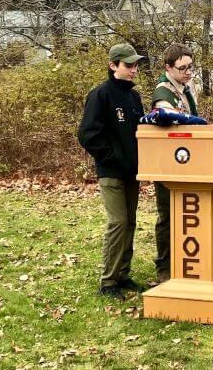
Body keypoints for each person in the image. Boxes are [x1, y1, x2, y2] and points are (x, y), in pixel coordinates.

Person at [78, 43, 146, 300]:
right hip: (111, 172)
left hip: (133, 172)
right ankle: (108, 281)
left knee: (130, 222)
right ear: (113, 66)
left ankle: (123, 274)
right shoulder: (100, 95)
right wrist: (112, 157)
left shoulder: (134, 97)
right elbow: (87, 134)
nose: (133, 70)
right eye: (128, 65)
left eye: (136, 65)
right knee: (117, 222)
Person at [151, 43, 198, 283]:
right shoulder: (164, 91)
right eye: (182, 68)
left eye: (191, 67)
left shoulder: (185, 88)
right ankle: (164, 266)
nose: (188, 72)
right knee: (167, 214)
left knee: (184, 212)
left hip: (186, 160)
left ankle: (184, 259)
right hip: (167, 162)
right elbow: (168, 117)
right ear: (168, 68)